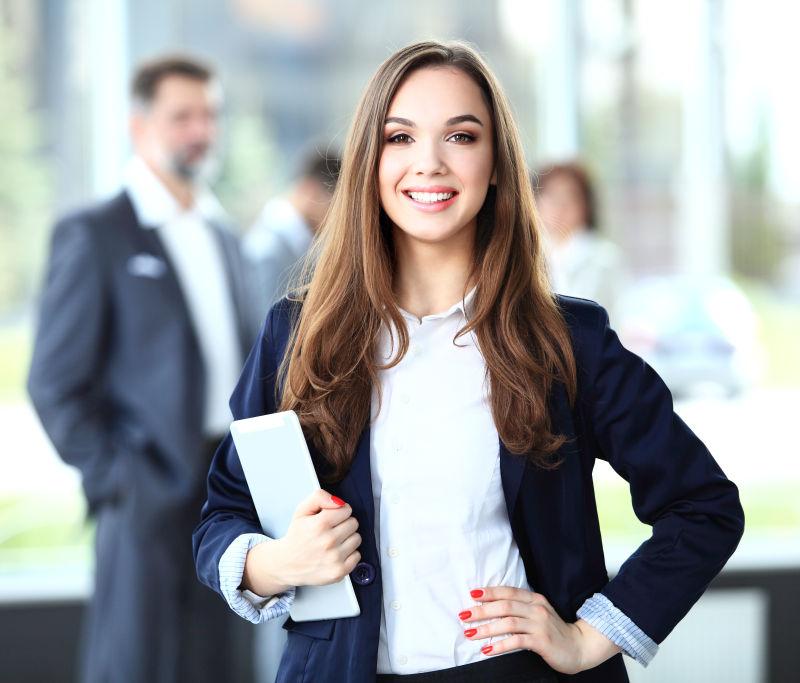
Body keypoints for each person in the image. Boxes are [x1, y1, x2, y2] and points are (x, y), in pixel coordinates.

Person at [193, 41, 744, 682]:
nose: (428, 163)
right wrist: (278, 564)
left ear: (495, 164)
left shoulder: (567, 339)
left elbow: (702, 506)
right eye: (400, 137)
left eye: (460, 135)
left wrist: (592, 636)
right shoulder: (298, 335)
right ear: (370, 161)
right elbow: (223, 514)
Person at [28, 56, 253, 683]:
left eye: (209, 115)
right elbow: (53, 383)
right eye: (182, 115)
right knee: (138, 666)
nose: (199, 130)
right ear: (139, 125)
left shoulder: (222, 235)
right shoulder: (97, 234)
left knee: (218, 664)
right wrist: (121, 477)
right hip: (146, 491)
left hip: (225, 492)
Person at [243, 148, 341, 323]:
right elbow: (264, 333)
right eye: (336, 204)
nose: (339, 217)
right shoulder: (267, 251)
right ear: (311, 191)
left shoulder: (301, 244)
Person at [534, 162, 624, 318]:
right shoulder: (528, 253)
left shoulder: (604, 258)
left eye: (569, 195)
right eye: (551, 195)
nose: (560, 205)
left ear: (586, 204)